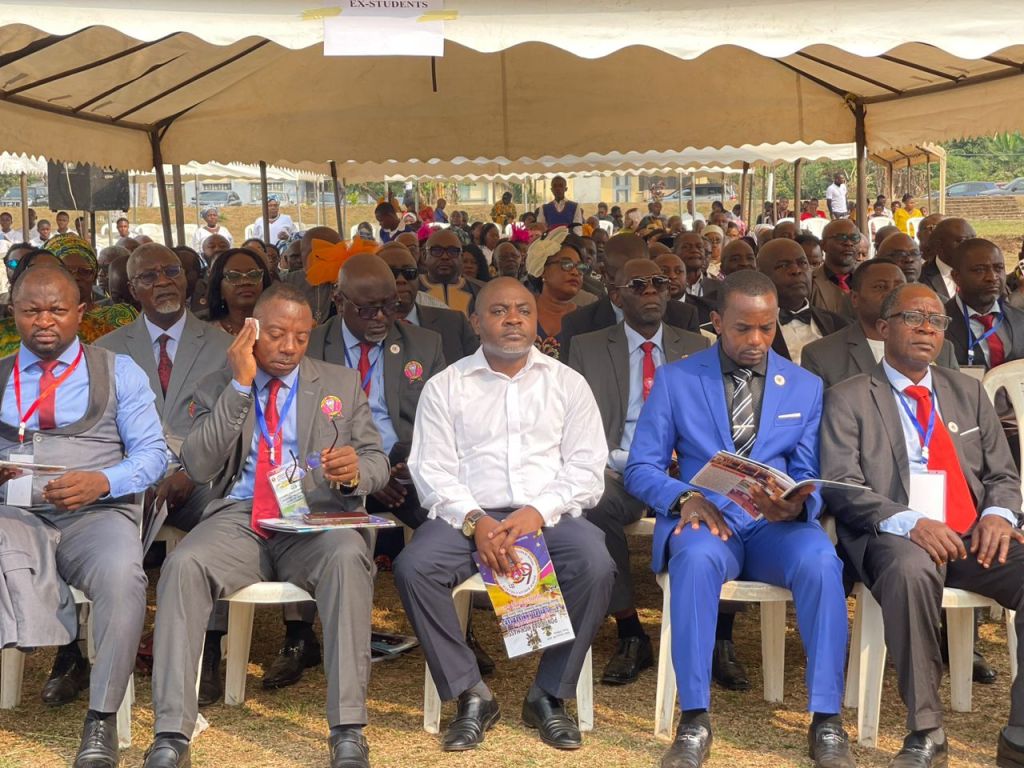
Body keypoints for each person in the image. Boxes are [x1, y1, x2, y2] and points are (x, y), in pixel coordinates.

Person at [142, 283, 388, 768]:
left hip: (315, 518)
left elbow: (376, 460)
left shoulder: (339, 383)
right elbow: (198, 463)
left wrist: (355, 471)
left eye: (301, 336)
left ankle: (348, 729)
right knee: (184, 566)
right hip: (241, 517)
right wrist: (239, 387)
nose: (289, 347)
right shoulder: (218, 384)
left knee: (348, 558)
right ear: (251, 330)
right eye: (276, 334)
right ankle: (171, 732)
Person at [625, 270, 855, 768]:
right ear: (716, 322)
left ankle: (827, 720)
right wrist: (684, 498)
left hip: (777, 528)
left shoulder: (805, 386)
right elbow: (641, 467)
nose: (756, 340)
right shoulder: (677, 380)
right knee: (694, 561)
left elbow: (809, 472)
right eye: (742, 328)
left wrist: (799, 503)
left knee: (822, 561)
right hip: (708, 523)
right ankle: (694, 719)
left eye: (766, 328)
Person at [395, 277, 613, 753]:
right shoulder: (446, 386)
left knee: (595, 564)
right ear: (475, 321)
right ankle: (471, 693)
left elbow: (586, 467)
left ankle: (548, 694)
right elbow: (430, 470)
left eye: (523, 310)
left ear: (536, 321)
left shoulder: (567, 383)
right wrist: (476, 521)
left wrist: (538, 511)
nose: (513, 319)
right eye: (499, 311)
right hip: (468, 517)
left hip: (546, 515)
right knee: (414, 567)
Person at [819, 282, 1024, 768]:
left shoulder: (967, 391)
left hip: (971, 533)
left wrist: (997, 515)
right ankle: (927, 731)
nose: (927, 329)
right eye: (914, 318)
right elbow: (841, 484)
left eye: (937, 321)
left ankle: (1019, 732)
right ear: (884, 327)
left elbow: (1002, 474)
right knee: (911, 572)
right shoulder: (848, 397)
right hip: (894, 535)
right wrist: (910, 522)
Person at [0, 265, 166, 767]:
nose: (44, 321)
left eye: (56, 310)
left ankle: (101, 719)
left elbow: (154, 455)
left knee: (122, 576)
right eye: (31, 310)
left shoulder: (118, 372)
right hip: (13, 517)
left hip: (96, 514)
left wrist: (103, 480)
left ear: (81, 312)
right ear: (13, 312)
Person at [568, 259, 708, 686]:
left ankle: (720, 638)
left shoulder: (697, 345)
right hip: (619, 470)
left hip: (686, 472)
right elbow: (577, 424)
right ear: (616, 296)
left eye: (660, 283)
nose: (651, 291)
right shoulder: (588, 347)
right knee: (592, 503)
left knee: (731, 505)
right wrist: (622, 461)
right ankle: (629, 629)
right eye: (639, 284)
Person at [97, 243, 232, 531]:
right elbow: (99, 431)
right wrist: (131, 478)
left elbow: (234, 425)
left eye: (171, 271)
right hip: (131, 485)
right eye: (149, 276)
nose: (163, 281)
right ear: (133, 290)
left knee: (229, 515)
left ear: (185, 280)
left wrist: (191, 474)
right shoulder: (105, 351)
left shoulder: (226, 349)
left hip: (203, 482)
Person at [802, 259, 958, 388]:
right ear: (855, 298)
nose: (891, 293)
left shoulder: (942, 349)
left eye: (898, 287)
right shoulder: (821, 355)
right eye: (880, 287)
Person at [559, 233, 698, 360]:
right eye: (633, 282)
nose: (646, 290)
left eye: (639, 278)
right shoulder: (578, 325)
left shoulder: (683, 317)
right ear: (604, 273)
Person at [378, 243, 478, 365]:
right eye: (391, 273)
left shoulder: (455, 323)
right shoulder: (364, 328)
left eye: (409, 272)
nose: (401, 280)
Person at [757, 238, 847, 365]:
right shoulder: (752, 330)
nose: (796, 270)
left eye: (803, 263)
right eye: (783, 265)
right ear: (762, 276)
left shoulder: (839, 325)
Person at [945, 238, 1024, 370]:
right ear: (956, 276)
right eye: (979, 270)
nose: (992, 277)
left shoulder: (1020, 319)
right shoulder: (940, 324)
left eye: (999, 268)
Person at [47, 234, 138, 341]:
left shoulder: (118, 315)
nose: (76, 277)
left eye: (84, 271)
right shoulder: (42, 323)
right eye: (67, 271)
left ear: (94, 275)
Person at [524, 228, 590, 360]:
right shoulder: (520, 311)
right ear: (543, 270)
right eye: (567, 264)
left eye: (580, 267)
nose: (575, 272)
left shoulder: (587, 320)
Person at [206, 247, 272, 336]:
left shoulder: (283, 327)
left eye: (254, 275)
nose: (245, 282)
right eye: (234, 276)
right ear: (218, 287)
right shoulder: (205, 333)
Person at [419, 229, 483, 317]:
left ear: (461, 257)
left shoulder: (479, 292)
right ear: (424, 256)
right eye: (437, 251)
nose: (445, 257)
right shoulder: (412, 289)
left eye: (452, 251)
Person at [810, 219, 859, 320]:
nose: (849, 243)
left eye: (854, 238)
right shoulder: (809, 282)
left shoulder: (869, 277)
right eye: (841, 238)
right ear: (823, 245)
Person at [919, 217, 976, 301]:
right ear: (939, 245)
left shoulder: (986, 273)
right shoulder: (920, 278)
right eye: (962, 241)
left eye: (974, 240)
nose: (971, 246)